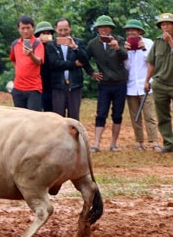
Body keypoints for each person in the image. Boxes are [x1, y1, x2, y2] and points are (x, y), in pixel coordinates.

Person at [86, 15, 128, 152]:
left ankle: (113, 143)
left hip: (120, 83)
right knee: (101, 113)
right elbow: (84, 59)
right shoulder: (93, 44)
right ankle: (96, 144)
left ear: (111, 28)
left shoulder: (119, 40)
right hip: (104, 84)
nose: (103, 29)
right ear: (97, 29)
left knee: (117, 114)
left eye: (106, 27)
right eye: (101, 27)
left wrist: (117, 47)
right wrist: (92, 73)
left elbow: (125, 56)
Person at [123, 19, 161, 152]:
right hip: (131, 86)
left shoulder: (149, 43)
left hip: (146, 84)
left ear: (139, 31)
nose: (131, 32)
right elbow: (126, 66)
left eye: (133, 30)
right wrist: (125, 52)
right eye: (128, 30)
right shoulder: (125, 45)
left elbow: (153, 62)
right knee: (135, 116)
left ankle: (155, 141)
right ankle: (140, 142)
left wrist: (143, 49)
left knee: (149, 115)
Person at [47, 17, 91, 121]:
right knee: (58, 118)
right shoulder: (51, 45)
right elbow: (54, 64)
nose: (63, 33)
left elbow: (85, 60)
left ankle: (74, 137)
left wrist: (75, 48)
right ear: (56, 29)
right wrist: (74, 64)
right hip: (58, 85)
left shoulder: (78, 43)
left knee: (74, 117)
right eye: (60, 30)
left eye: (66, 29)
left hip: (75, 85)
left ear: (70, 28)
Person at [145, 13, 173, 153]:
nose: (165, 27)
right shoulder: (157, 42)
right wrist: (147, 80)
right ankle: (169, 144)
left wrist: (171, 43)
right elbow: (152, 63)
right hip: (160, 83)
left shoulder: (168, 41)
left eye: (168, 24)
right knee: (163, 116)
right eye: (162, 25)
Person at [9, 15, 45, 111]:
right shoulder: (15, 44)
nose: (25, 31)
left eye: (28, 28)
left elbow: (39, 61)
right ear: (18, 29)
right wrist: (19, 70)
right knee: (20, 118)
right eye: (23, 28)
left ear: (33, 28)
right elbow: (13, 59)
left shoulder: (37, 43)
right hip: (18, 87)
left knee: (33, 117)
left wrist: (31, 55)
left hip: (33, 87)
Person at [34, 21, 55, 111]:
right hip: (38, 83)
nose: (46, 35)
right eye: (43, 33)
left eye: (48, 33)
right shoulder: (34, 46)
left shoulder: (55, 46)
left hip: (53, 83)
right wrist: (38, 42)